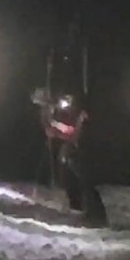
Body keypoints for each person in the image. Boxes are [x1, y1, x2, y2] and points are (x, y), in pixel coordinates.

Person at [33, 88, 106, 225]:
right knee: (77, 181)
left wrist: (58, 131)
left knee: (85, 183)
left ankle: (95, 214)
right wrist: (55, 126)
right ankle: (84, 210)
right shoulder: (76, 116)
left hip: (79, 152)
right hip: (74, 151)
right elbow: (67, 131)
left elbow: (73, 134)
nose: (68, 103)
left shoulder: (83, 117)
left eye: (71, 100)